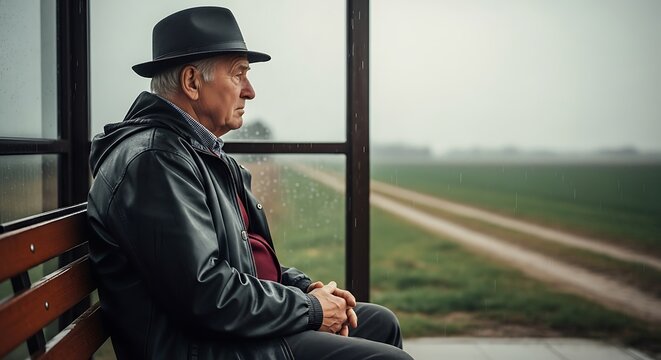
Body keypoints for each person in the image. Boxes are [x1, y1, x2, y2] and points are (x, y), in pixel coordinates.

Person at [87, 6, 412, 360]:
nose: (250, 91)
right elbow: (206, 295)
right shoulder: (154, 160)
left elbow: (242, 263)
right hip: (199, 349)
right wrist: (309, 309)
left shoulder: (197, 153)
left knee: (380, 322)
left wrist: (303, 289)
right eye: (238, 74)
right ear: (192, 82)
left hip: (224, 337)